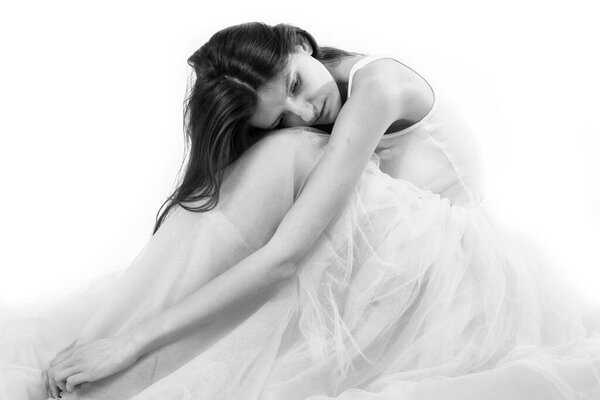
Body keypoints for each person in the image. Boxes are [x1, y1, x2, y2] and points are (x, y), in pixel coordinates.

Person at [1, 21, 598, 399]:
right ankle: (123, 351)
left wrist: (129, 342)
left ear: (300, 42)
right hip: (395, 258)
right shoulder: (321, 104)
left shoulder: (379, 84)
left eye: (293, 83)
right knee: (276, 175)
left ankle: (126, 357)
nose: (305, 110)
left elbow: (284, 258)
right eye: (281, 112)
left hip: (448, 278)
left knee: (286, 168)